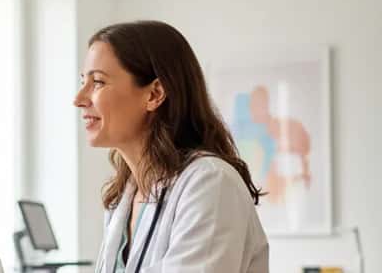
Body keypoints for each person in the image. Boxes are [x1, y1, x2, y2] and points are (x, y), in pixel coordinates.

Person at [74, 21, 268, 272]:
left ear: (154, 94)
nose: (78, 99)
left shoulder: (210, 183)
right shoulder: (124, 197)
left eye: (98, 82)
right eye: (83, 82)